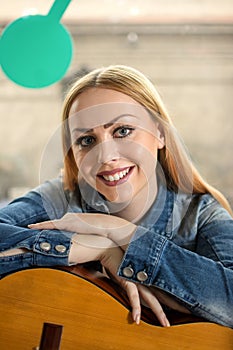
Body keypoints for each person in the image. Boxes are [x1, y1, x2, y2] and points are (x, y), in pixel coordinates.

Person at [0, 65, 233, 329]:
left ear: (160, 133)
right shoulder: (60, 198)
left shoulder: (201, 214)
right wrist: (98, 248)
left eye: (122, 131)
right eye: (87, 140)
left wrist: (125, 233)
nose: (106, 156)